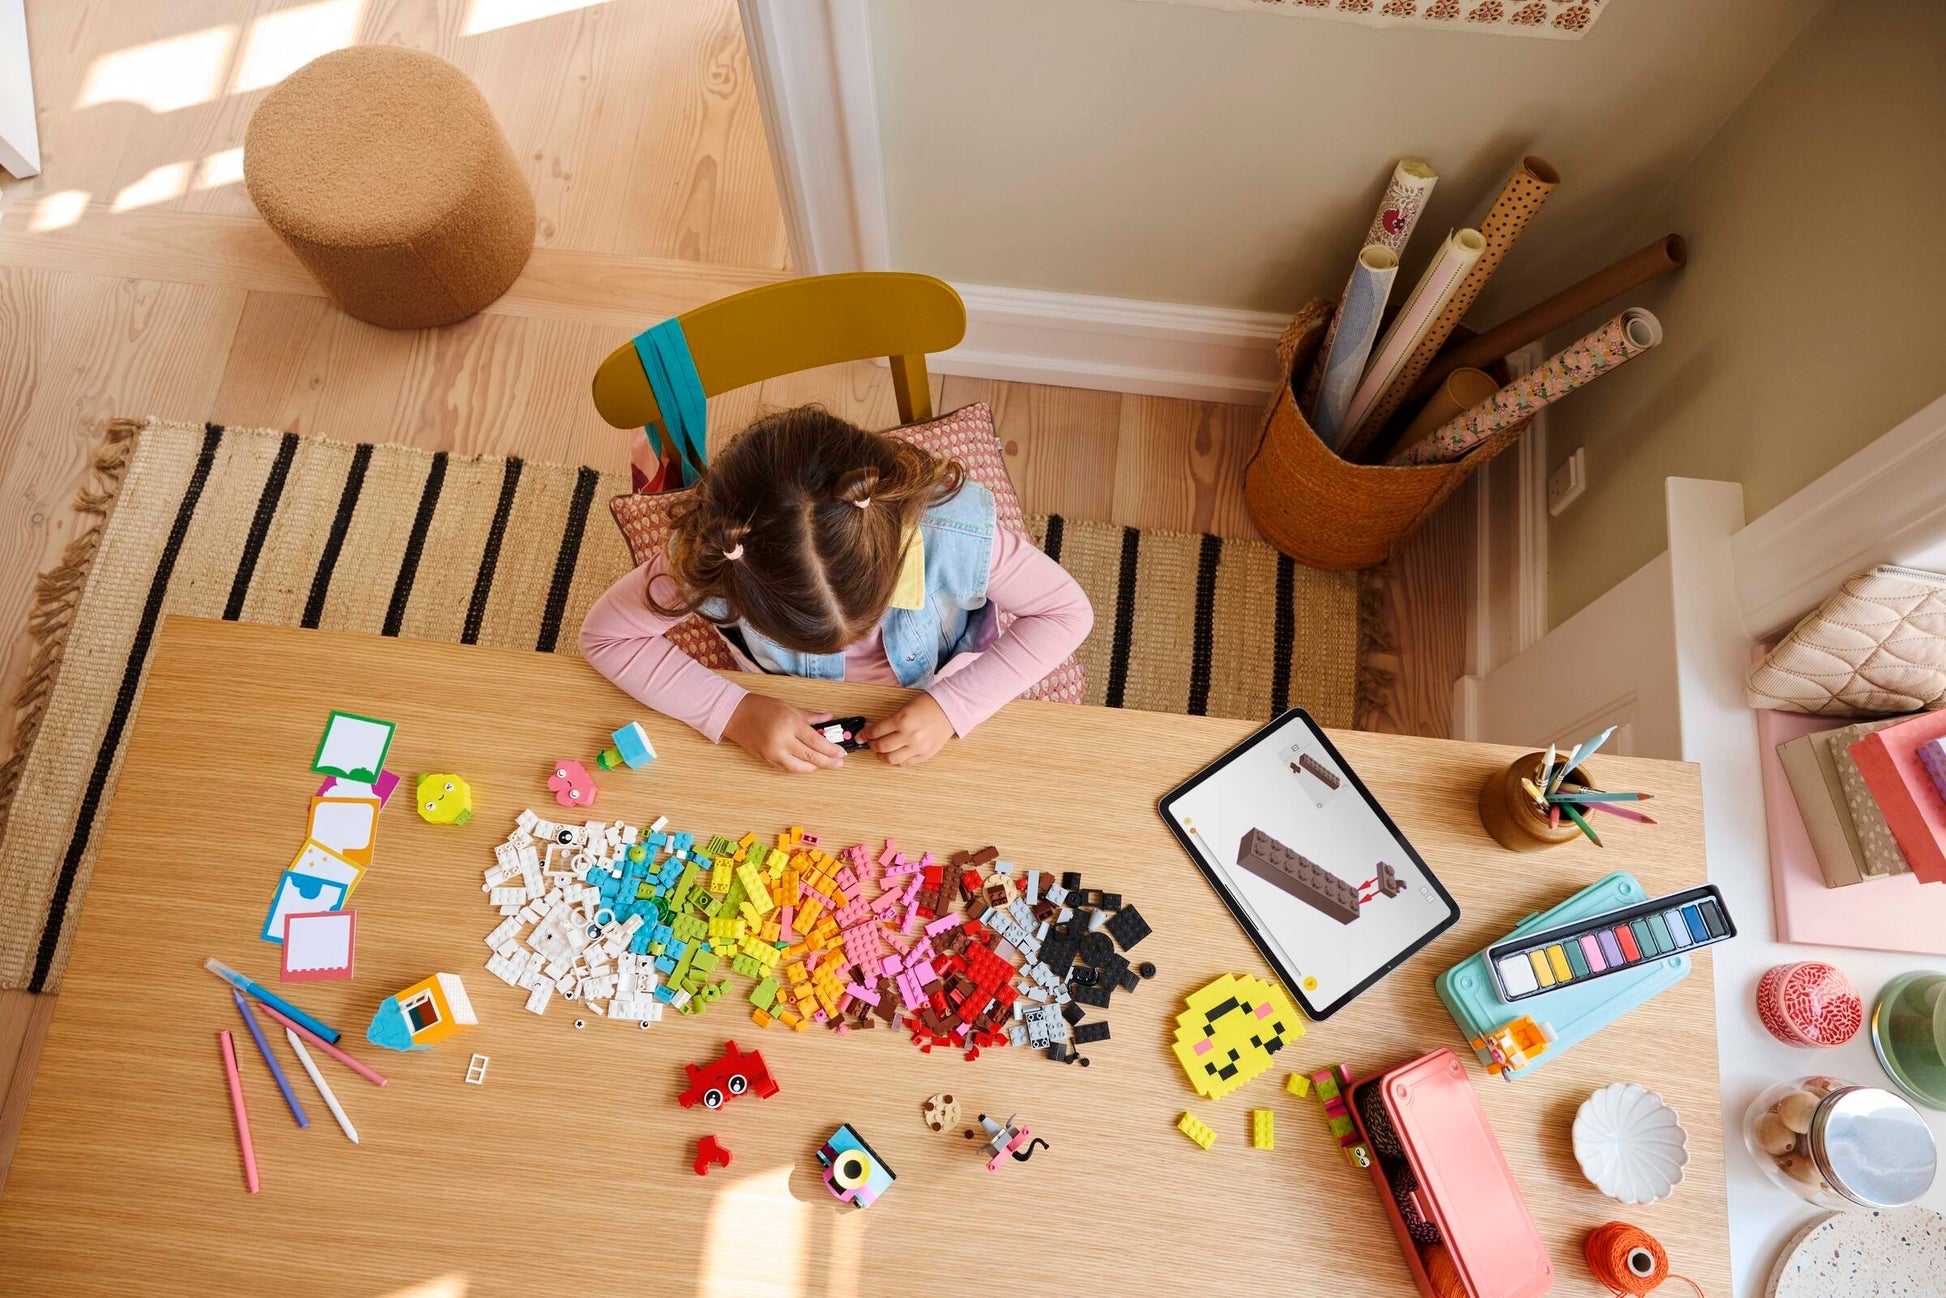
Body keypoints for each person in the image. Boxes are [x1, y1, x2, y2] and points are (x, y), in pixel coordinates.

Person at [579, 406, 1093, 771]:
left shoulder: (951, 532)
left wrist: (953, 707)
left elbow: (1067, 613)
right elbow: (603, 638)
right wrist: (733, 712)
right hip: (787, 705)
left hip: (941, 681)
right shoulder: (711, 558)